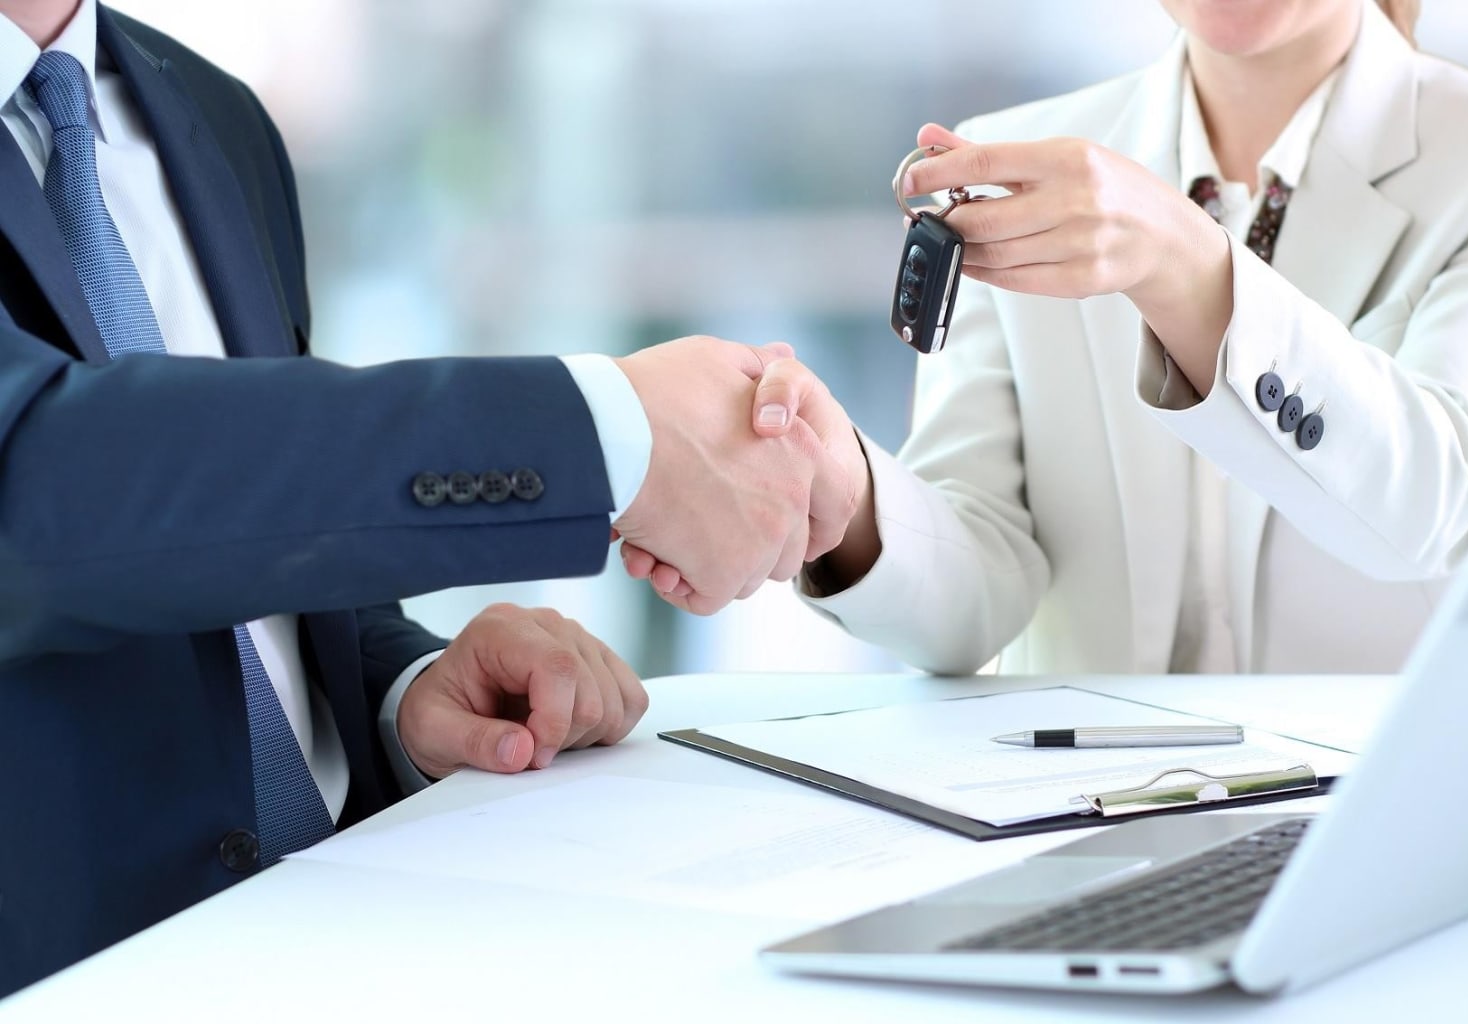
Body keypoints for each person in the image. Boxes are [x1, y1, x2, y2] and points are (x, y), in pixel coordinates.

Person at [0, 0, 853, 997]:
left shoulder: (208, 111)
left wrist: (402, 693)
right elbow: (40, 482)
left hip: (353, 945)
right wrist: (610, 432)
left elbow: (250, 520)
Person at [630, 0, 1468, 681]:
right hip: (1081, 821)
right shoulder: (1018, 158)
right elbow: (978, 587)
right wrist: (848, 496)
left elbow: (1441, 506)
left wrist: (1182, 262)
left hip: (1370, 822)